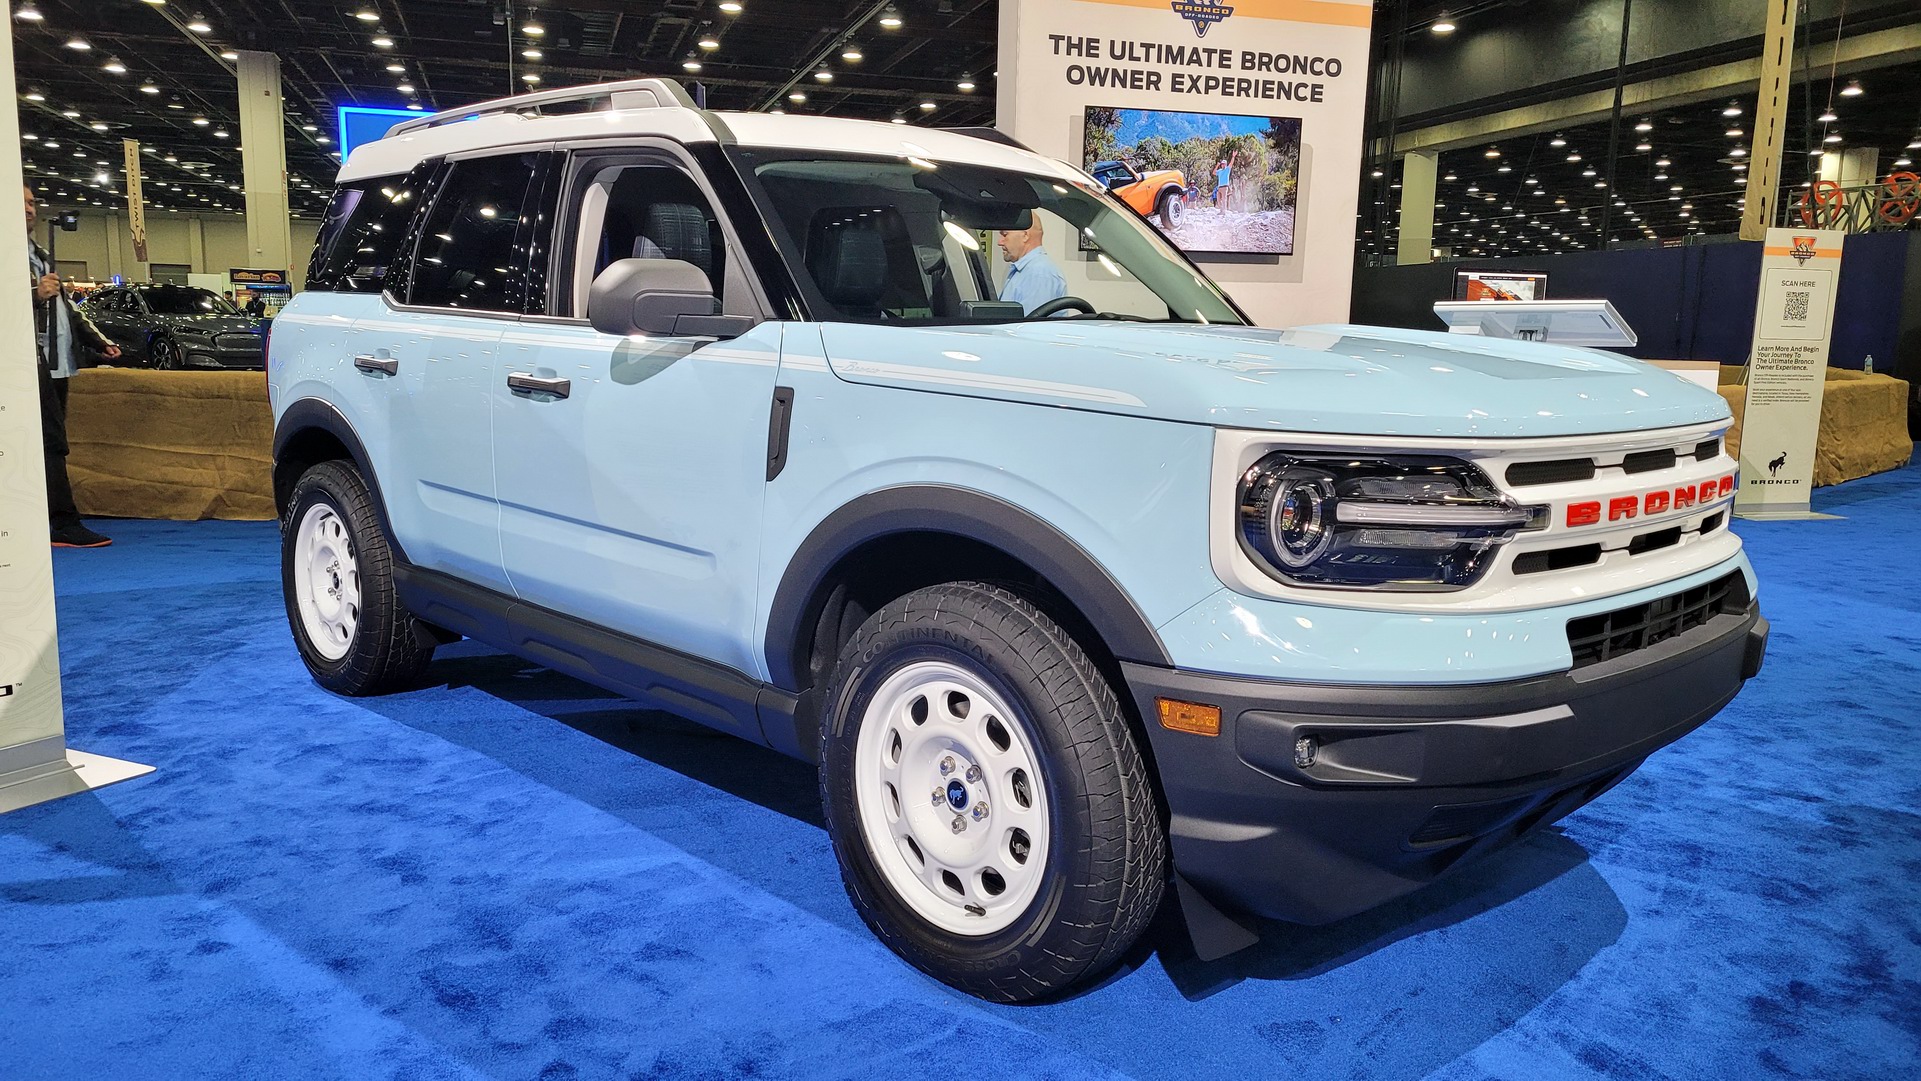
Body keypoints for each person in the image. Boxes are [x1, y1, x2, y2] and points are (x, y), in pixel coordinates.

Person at [27, 186, 120, 548]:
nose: (29, 209)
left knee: (50, 442)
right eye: (20, 203)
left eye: (32, 202)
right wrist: (34, 294)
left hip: (56, 362)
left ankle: (51, 520)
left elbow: (68, 309)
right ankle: (64, 523)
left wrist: (98, 342)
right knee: (50, 443)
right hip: (28, 363)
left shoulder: (41, 255)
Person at [996, 218, 1067, 316]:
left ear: (1025, 235)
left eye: (1005, 234)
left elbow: (1030, 327)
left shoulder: (1039, 274)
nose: (1000, 242)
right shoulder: (1026, 271)